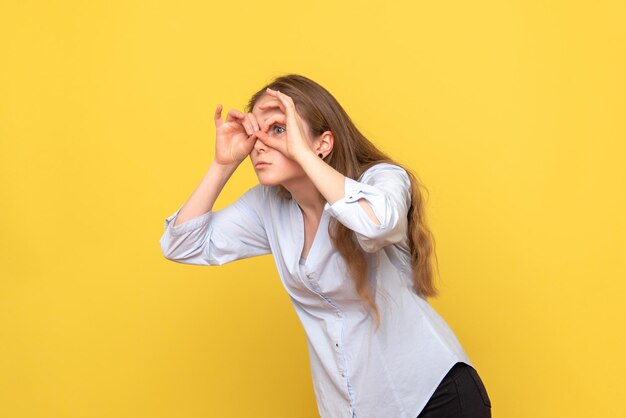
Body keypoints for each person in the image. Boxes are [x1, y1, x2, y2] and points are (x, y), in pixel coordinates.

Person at [159, 74, 492, 418]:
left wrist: (303, 156)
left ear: (323, 143)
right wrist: (223, 164)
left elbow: (376, 225)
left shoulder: (381, 180)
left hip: (432, 397)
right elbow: (182, 245)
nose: (259, 144)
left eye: (278, 128)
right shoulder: (268, 206)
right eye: (254, 131)